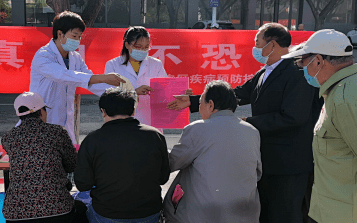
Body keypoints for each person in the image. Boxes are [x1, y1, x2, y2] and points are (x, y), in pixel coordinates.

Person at [167, 23, 324, 223]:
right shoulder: (266, 71)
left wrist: (248, 121)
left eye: (257, 42)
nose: (255, 48)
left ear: (272, 45)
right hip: (269, 159)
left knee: (286, 214)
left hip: (289, 163)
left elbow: (294, 117)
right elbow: (238, 94)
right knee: (267, 213)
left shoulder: (297, 73)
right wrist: (192, 101)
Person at [281, 29, 356, 223]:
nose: (301, 67)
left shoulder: (345, 98)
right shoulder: (340, 90)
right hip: (335, 209)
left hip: (344, 213)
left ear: (318, 61)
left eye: (302, 62)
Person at [163, 80, 262, 223]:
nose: (200, 108)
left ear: (210, 105)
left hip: (203, 214)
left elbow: (171, 163)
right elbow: (258, 173)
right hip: (245, 212)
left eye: (200, 103)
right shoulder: (252, 131)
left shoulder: (197, 129)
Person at [29, 11, 129, 144]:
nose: (77, 40)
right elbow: (64, 76)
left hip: (65, 123)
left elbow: (90, 82)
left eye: (80, 37)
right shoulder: (43, 56)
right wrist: (103, 78)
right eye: (74, 36)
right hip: (44, 120)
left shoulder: (75, 58)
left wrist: (123, 95)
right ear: (60, 34)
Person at [74, 87, 170, 223]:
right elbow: (163, 178)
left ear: (103, 111)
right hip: (148, 212)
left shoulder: (93, 140)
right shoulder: (155, 135)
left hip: (106, 213)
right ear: (133, 110)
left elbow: (83, 184)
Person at [1, 92, 88, 223]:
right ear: (41, 112)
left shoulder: (8, 138)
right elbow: (72, 165)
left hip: (16, 213)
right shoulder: (57, 132)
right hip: (58, 208)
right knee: (81, 209)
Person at [105, 26, 167, 127]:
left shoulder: (156, 64)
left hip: (150, 121)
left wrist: (180, 92)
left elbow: (166, 90)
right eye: (138, 47)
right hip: (122, 122)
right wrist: (133, 92)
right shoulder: (113, 65)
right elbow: (109, 96)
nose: (142, 50)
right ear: (127, 45)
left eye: (146, 47)